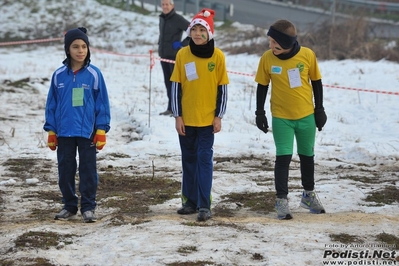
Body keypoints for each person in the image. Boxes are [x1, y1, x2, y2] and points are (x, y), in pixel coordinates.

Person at [254, 19, 327, 220]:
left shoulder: (307, 55)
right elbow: (262, 85)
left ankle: (308, 195)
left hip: (306, 117)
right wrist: (259, 112)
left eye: (274, 43)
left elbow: (317, 82)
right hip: (281, 118)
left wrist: (319, 109)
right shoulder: (267, 59)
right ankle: (282, 200)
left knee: (307, 157)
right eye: (269, 42)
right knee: (283, 158)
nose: (271, 46)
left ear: (285, 43)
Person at [43, 27, 111, 223]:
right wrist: (51, 130)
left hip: (87, 132)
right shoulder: (59, 76)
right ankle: (69, 205)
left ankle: (88, 207)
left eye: (84, 46)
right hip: (64, 132)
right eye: (75, 47)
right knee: (65, 169)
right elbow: (52, 105)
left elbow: (102, 103)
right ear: (67, 49)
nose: (81, 51)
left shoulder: (94, 74)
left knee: (88, 170)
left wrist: (101, 129)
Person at [170, 8, 229, 221]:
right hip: (186, 120)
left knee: (204, 160)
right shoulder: (182, 54)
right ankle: (190, 202)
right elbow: (176, 86)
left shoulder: (218, 56)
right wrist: (178, 116)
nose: (197, 34)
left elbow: (223, 88)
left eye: (201, 30)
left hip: (207, 121)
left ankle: (205, 204)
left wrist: (218, 116)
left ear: (209, 33)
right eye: (194, 29)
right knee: (188, 160)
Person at [158, 0, 190, 116]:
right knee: (168, 83)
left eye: (167, 4)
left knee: (175, 83)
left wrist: (182, 44)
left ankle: (178, 109)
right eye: (163, 4)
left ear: (172, 5)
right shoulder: (162, 18)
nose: (165, 7)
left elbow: (193, 31)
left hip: (174, 57)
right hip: (163, 55)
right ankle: (170, 108)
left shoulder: (178, 19)